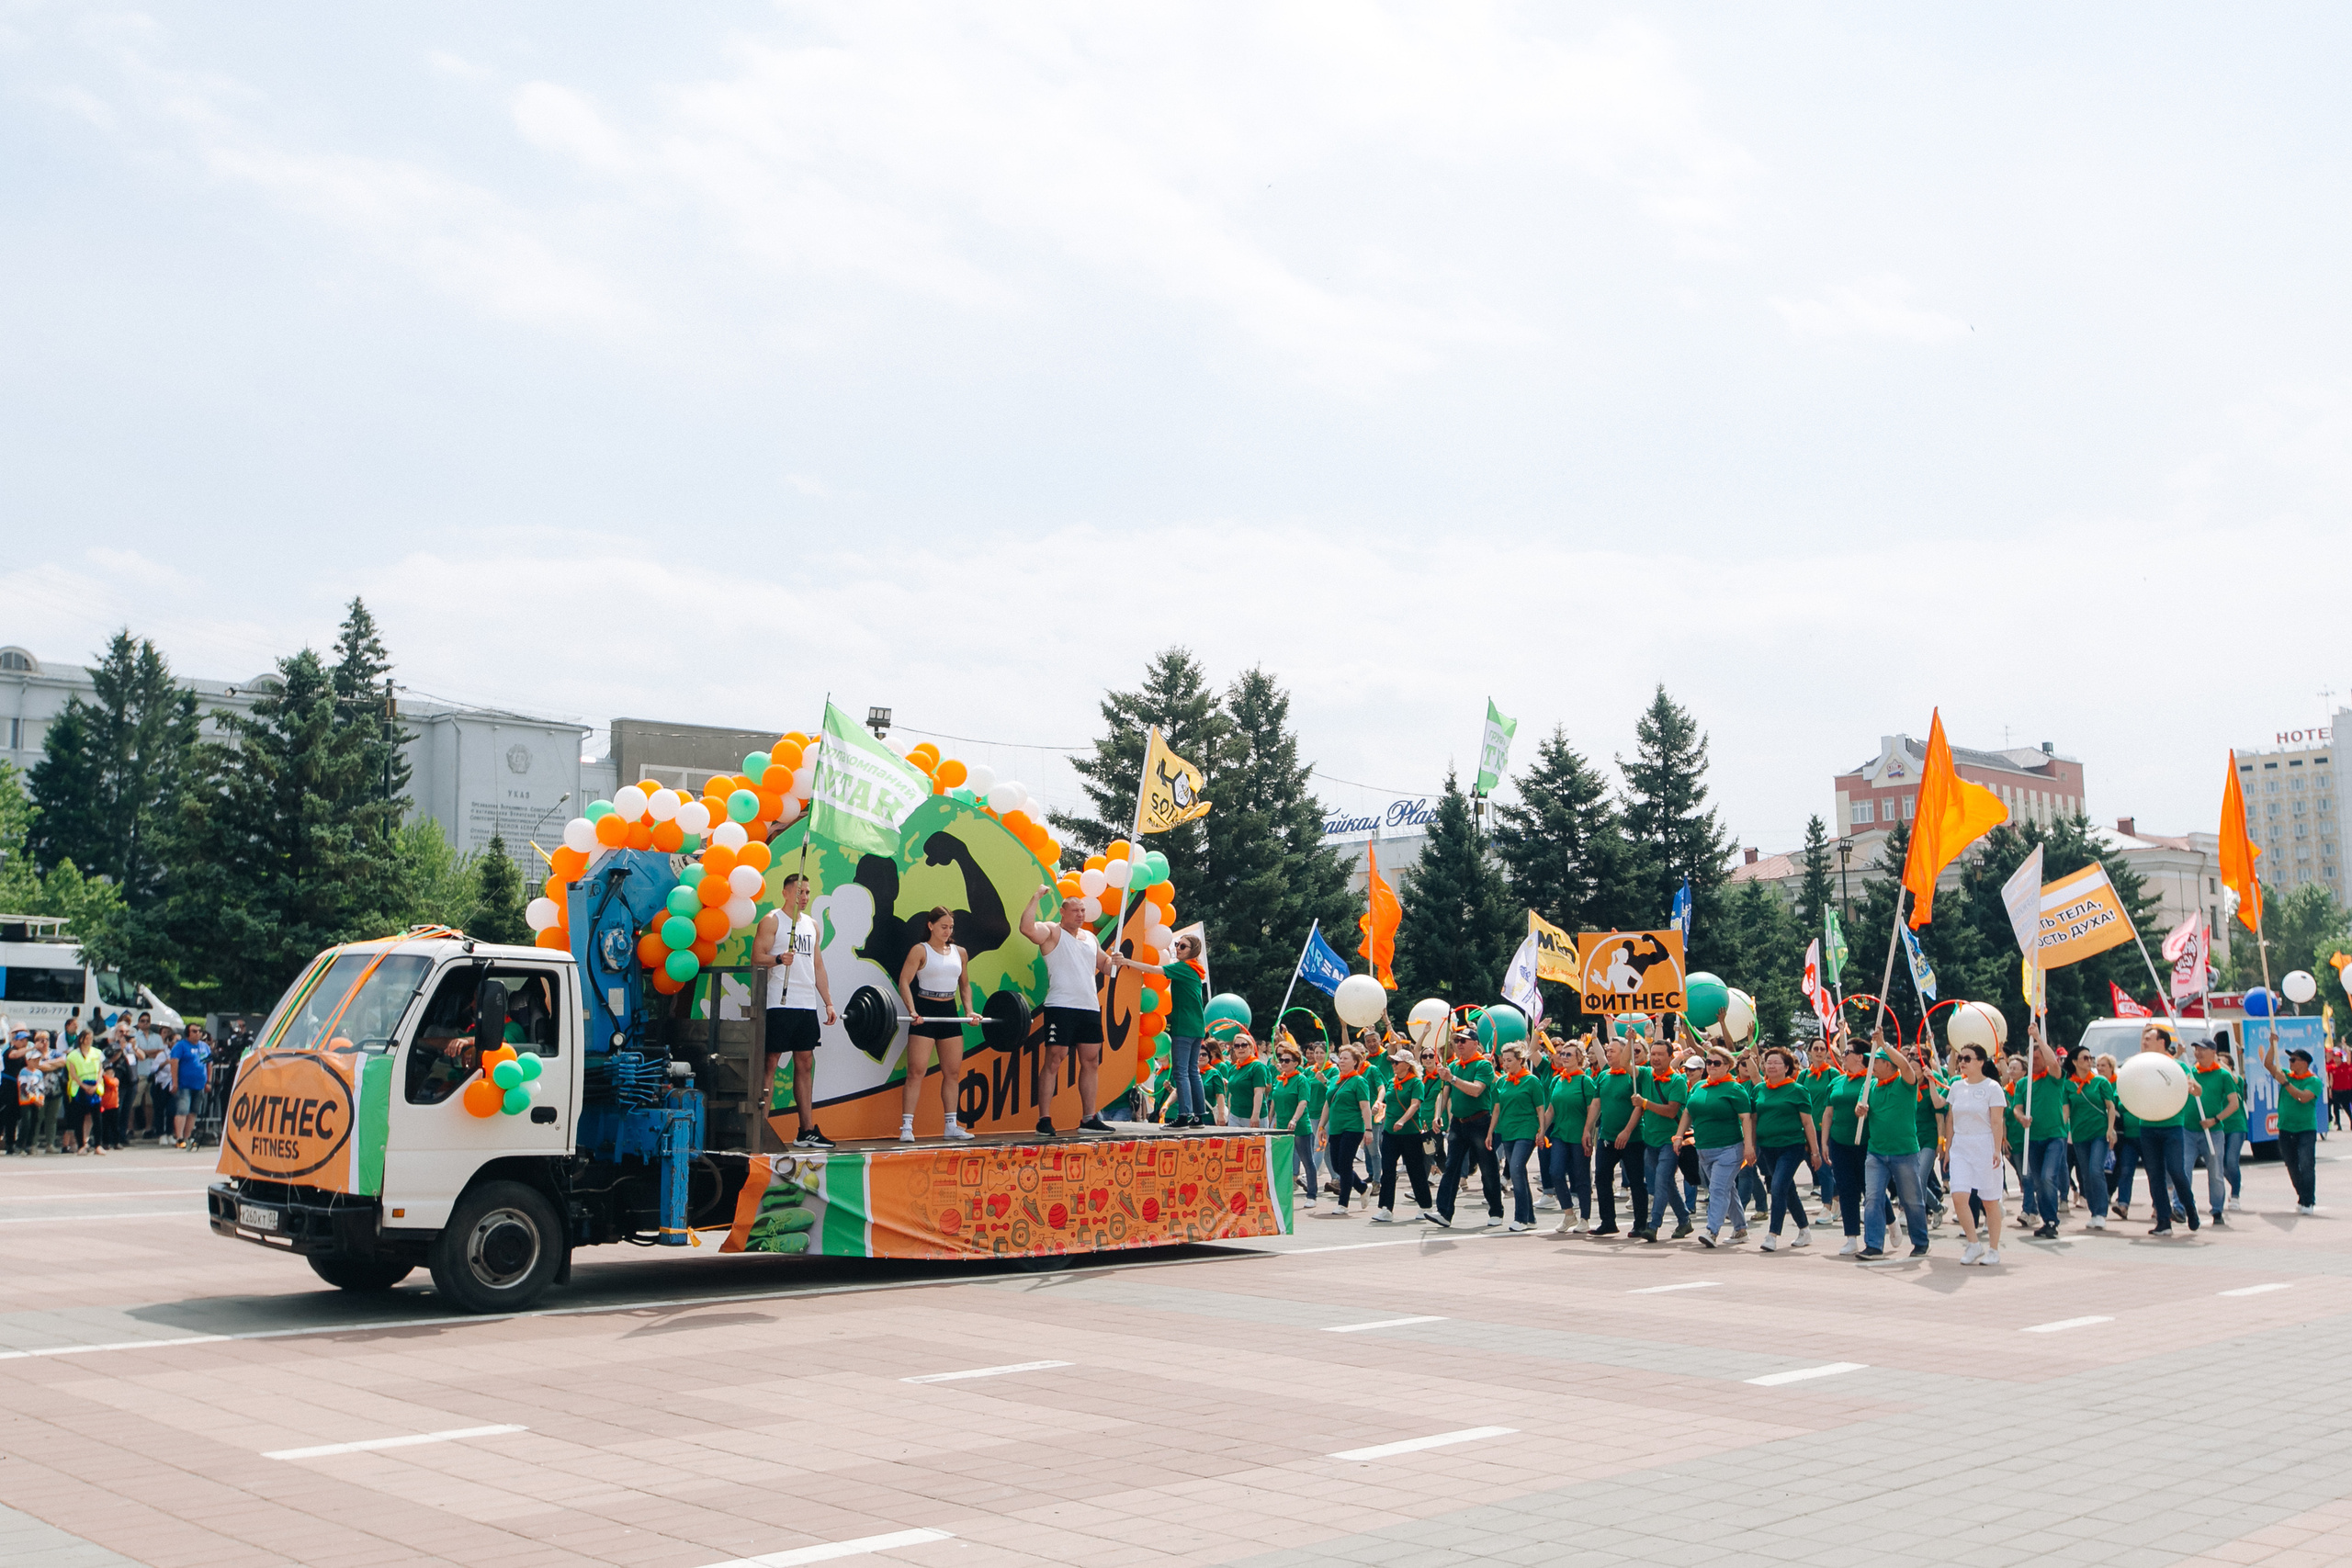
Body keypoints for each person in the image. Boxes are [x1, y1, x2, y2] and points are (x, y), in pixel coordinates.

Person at [1019, 885, 1117, 1136]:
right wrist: (1036, 896)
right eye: (1075, 910)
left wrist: (1115, 961)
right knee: (1054, 1058)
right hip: (1061, 1006)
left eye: (1083, 910)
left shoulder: (1090, 938)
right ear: (1062, 912)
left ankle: (1088, 1118)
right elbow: (1026, 929)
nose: (1080, 915)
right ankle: (1044, 1119)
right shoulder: (1052, 932)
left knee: (1091, 1061)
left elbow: (1105, 967)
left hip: (1088, 1007)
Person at [754, 873, 838, 1149]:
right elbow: (757, 958)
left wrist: (827, 1001)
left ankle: (807, 1131)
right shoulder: (772, 920)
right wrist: (778, 958)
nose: (804, 897)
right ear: (786, 892)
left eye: (808, 893)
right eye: (800, 892)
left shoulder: (812, 925)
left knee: (805, 1063)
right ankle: (760, 1130)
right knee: (770, 1062)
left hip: (805, 1003)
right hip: (779, 1002)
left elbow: (819, 966)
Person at [893, 906, 975, 1142]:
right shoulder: (920, 950)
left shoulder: (960, 952)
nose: (947, 931)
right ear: (930, 926)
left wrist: (969, 1011)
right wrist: (912, 1010)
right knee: (916, 1071)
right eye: (943, 927)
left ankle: (951, 1125)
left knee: (952, 1072)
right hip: (925, 1011)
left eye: (950, 927)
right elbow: (904, 982)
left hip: (949, 1012)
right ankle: (907, 1127)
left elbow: (965, 985)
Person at [1855, 1027, 1929, 1260]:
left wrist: (1885, 1044)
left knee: (1911, 1200)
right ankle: (1874, 1245)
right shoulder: (1869, 1085)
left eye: (1875, 1061)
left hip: (1905, 1152)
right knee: (1873, 1198)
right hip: (1876, 1152)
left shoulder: (1905, 1083)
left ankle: (1920, 1241)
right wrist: (1860, 1110)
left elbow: (1907, 1067)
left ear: (1888, 1064)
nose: (1871, 1066)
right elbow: (1860, 1109)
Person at [1119, 932, 1208, 1127]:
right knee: (1192, 1071)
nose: (1177, 948)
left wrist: (1126, 961)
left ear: (1192, 951)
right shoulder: (1195, 969)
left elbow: (1152, 969)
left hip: (1184, 1026)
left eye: (1182, 946)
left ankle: (1184, 1115)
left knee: (1181, 1072)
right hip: (1197, 1026)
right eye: (1177, 944)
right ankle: (1199, 1116)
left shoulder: (1183, 967)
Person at [1677, 1044, 1755, 1248]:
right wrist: (1678, 1136)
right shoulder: (1698, 1087)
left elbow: (1745, 1118)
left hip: (1729, 1148)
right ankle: (1740, 1228)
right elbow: (1688, 1112)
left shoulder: (1735, 1088)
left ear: (1728, 1066)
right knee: (1727, 1189)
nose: (1711, 1066)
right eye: (1708, 1062)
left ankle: (1712, 1231)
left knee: (1718, 1189)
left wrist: (1749, 1146)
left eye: (1716, 1063)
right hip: (1703, 1148)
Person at [1941, 1042, 2008, 1265]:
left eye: (1967, 1059)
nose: (1962, 1063)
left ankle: (1994, 1249)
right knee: (1959, 1196)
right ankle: (1973, 1243)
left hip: (1984, 1144)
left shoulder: (1992, 1088)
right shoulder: (1957, 1087)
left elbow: (1997, 1121)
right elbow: (1951, 1118)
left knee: (1989, 1201)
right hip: (1961, 1145)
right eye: (1961, 1058)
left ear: (1981, 1062)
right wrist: (1948, 1147)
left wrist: (1997, 1149)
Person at [1749, 1045, 1819, 1252]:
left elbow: (1808, 1123)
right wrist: (1751, 1146)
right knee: (1788, 1190)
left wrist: (1815, 1152)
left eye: (1776, 1062)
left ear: (1787, 1067)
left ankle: (1772, 1234)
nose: (1771, 1066)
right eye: (1768, 1062)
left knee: (1778, 1186)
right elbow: (1753, 1120)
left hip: (1792, 1146)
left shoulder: (1798, 1090)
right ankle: (1804, 1230)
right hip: (1767, 1147)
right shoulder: (1759, 1089)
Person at [1431, 1029, 1503, 1227]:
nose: (1459, 1044)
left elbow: (1476, 1090)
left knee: (1488, 1168)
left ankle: (1496, 1210)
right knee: (1451, 1167)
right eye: (1457, 1041)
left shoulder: (1483, 1065)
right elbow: (1444, 1093)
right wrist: (1438, 1115)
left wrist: (1452, 1078)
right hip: (1458, 1122)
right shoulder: (1453, 1065)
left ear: (1475, 1043)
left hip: (1480, 1122)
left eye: (1464, 1040)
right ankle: (1444, 1212)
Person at [2134, 1024, 2200, 1237]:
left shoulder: (2178, 1067)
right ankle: (2163, 1220)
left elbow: (2196, 1088)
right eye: (2143, 1039)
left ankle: (2189, 1207)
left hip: (2172, 1126)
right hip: (2147, 1126)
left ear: (2162, 1042)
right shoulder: (2140, 1066)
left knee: (2176, 1171)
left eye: (2148, 1039)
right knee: (2154, 1175)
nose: (2144, 1042)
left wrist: (2193, 1088)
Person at [1590, 1032, 1648, 1238]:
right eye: (1607, 1051)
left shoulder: (1635, 1076)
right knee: (1602, 1178)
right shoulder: (1603, 1075)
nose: (1608, 1054)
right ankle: (1608, 1221)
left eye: (1612, 1050)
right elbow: (1596, 1103)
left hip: (1632, 1139)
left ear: (1625, 1053)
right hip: (1606, 1135)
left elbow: (1639, 1106)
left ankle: (1641, 1223)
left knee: (1635, 1181)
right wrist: (1587, 1130)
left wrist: (1627, 1131)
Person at [1632, 1036, 1690, 1242]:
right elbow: (1624, 1065)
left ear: (1670, 1057)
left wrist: (1645, 1103)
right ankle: (1684, 1220)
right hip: (1651, 1140)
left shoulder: (1678, 1081)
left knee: (1661, 1182)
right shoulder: (1646, 1073)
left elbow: (1671, 1110)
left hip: (1670, 1140)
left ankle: (1654, 1225)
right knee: (1663, 1184)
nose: (1655, 1059)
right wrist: (1630, 1043)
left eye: (1660, 1055)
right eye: (1653, 1054)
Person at [2016, 1023, 2068, 1239]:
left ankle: (2053, 1219)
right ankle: (2048, 1220)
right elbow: (2016, 1108)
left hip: (2054, 1136)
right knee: (2038, 1181)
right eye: (2034, 1059)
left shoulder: (2054, 1078)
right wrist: (2021, 1118)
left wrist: (2038, 1038)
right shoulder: (2023, 1084)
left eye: (2039, 1058)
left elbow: (2053, 1063)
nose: (2037, 1062)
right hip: (2033, 1138)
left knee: (2048, 1177)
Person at [1373, 1048, 1436, 1223]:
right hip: (1390, 1133)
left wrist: (1402, 1120)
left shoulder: (1416, 1083)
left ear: (1407, 1065)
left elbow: (1415, 1105)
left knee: (1415, 1170)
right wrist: (1378, 1108)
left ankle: (1425, 1206)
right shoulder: (1391, 1082)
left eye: (1396, 1062)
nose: (1393, 1065)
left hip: (1410, 1134)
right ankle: (1386, 1208)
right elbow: (1385, 1102)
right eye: (1392, 1062)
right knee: (1388, 1170)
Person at [1487, 1043, 1544, 1232]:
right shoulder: (1501, 1082)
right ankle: (1530, 1218)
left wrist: (1541, 1131)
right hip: (1507, 1130)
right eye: (1504, 1060)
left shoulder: (1532, 1081)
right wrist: (1490, 1133)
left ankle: (1520, 1217)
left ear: (1521, 1061)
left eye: (1510, 1060)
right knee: (1519, 1172)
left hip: (1526, 1129)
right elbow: (1496, 1109)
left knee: (1517, 1168)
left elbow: (1540, 1108)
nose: (1505, 1064)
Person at [1544, 1038, 1596, 1235]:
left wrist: (1587, 1131)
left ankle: (1585, 1218)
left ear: (1579, 1058)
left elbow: (1592, 1109)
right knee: (1555, 1172)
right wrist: (1541, 1130)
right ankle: (1568, 1213)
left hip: (1579, 1135)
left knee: (1581, 1177)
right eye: (1562, 1054)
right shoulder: (1558, 1080)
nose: (1563, 1057)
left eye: (1568, 1054)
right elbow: (1551, 1110)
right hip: (1560, 1134)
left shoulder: (1585, 1081)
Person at [2187, 1038, 2242, 1226]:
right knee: (2184, 1169)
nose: (2198, 1053)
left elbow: (2234, 1104)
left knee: (2215, 1171)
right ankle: (2182, 1206)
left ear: (2213, 1052)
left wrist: (2215, 1119)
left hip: (2213, 1131)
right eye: (2196, 1049)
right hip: (2188, 1130)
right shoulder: (2190, 1073)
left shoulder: (2223, 1075)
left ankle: (2217, 1209)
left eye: (2202, 1049)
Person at [1320, 1043, 1377, 1214]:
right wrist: (1322, 1125)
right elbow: (1328, 1105)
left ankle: (1343, 1203)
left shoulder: (1359, 1081)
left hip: (1352, 1127)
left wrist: (1368, 1129)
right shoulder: (1335, 1081)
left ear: (1355, 1062)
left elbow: (1365, 1106)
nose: (1342, 1061)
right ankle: (1361, 1187)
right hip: (1336, 1128)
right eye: (1340, 1058)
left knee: (1345, 1164)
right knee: (1337, 1166)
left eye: (1346, 1058)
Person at [2263, 1043, 2322, 1213]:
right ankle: (2302, 1196)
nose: (2290, 1063)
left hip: (2305, 1130)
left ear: (2304, 1063)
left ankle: (2309, 1201)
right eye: (2289, 1059)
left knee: (2306, 1164)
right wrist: (2272, 1045)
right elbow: (2268, 1064)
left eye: (2293, 1060)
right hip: (2286, 1129)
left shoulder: (2313, 1081)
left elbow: (2303, 1098)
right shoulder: (2287, 1075)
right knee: (2291, 1165)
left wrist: (2286, 1084)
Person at [2064, 1046, 2116, 1233]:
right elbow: (2066, 1111)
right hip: (2079, 1135)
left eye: (2090, 1057)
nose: (2089, 1061)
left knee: (2095, 1170)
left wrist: (2110, 1129)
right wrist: (2062, 1130)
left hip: (2099, 1134)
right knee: (2085, 1174)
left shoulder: (2100, 1082)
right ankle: (2094, 1212)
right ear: (2075, 1062)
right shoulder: (2068, 1084)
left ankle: (2101, 1212)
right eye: (2084, 1058)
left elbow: (2110, 1107)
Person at [1269, 1043, 1314, 1195]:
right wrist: (1270, 1119)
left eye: (1287, 1061)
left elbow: (1303, 1101)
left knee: (1307, 1160)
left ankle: (1312, 1194)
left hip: (1299, 1126)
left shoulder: (1301, 1080)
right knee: (1282, 1161)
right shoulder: (1280, 1079)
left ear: (1296, 1063)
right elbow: (1274, 1100)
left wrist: (1294, 1119)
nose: (1283, 1063)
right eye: (1281, 1060)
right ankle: (1283, 1191)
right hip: (1281, 1126)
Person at [167, 1026, 210, 1149]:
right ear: (188, 1033)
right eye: (194, 1031)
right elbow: (174, 1063)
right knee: (182, 1110)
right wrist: (174, 1082)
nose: (198, 1033)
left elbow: (208, 1065)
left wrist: (209, 1081)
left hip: (199, 1084)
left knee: (193, 1112)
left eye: (200, 1031)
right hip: (184, 1084)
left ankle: (187, 1137)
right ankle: (180, 1137)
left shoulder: (204, 1047)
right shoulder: (181, 1046)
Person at [64, 1027, 106, 1156]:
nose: (89, 1041)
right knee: (79, 1118)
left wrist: (97, 1084)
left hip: (94, 1087)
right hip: (79, 1088)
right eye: (87, 1038)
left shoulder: (97, 1053)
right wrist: (83, 1086)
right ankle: (81, 1145)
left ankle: (98, 1145)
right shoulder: (72, 1055)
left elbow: (101, 1070)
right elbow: (72, 1073)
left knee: (97, 1118)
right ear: (81, 1039)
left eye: (91, 1038)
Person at [1226, 1035, 1272, 1128]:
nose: (1240, 1048)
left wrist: (1255, 1115)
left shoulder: (1257, 1067)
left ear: (1251, 1047)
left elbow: (1259, 1092)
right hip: (1235, 1116)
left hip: (1251, 1117)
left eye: (1244, 1045)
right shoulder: (1233, 1068)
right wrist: (1230, 1114)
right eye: (1237, 1046)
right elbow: (1231, 1093)